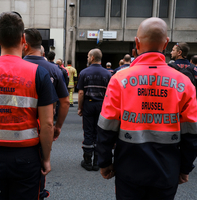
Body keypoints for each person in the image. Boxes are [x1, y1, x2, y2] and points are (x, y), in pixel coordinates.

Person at [97, 17, 197, 200]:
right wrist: (184, 168)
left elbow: (107, 125)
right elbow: (191, 132)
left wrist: (104, 161)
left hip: (129, 167)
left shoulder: (119, 80)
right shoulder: (185, 83)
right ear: (166, 43)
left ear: (137, 43)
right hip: (167, 168)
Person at [0, 12, 57, 200]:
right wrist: (45, 158)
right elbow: (47, 124)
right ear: (23, 39)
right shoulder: (39, 73)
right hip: (26, 156)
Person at [23, 28, 69, 200]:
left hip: (18, 126)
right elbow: (65, 101)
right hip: (43, 125)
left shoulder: (17, 66)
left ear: (24, 45)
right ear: (40, 46)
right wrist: (58, 126)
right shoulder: (54, 70)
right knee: (40, 165)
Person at [77, 48, 112, 171]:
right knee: (99, 132)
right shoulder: (108, 74)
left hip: (89, 104)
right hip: (102, 105)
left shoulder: (84, 72)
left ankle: (87, 161)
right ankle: (97, 161)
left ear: (92, 58)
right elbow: (110, 94)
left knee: (88, 131)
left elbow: (81, 93)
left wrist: (80, 107)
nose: (87, 58)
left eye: (88, 56)